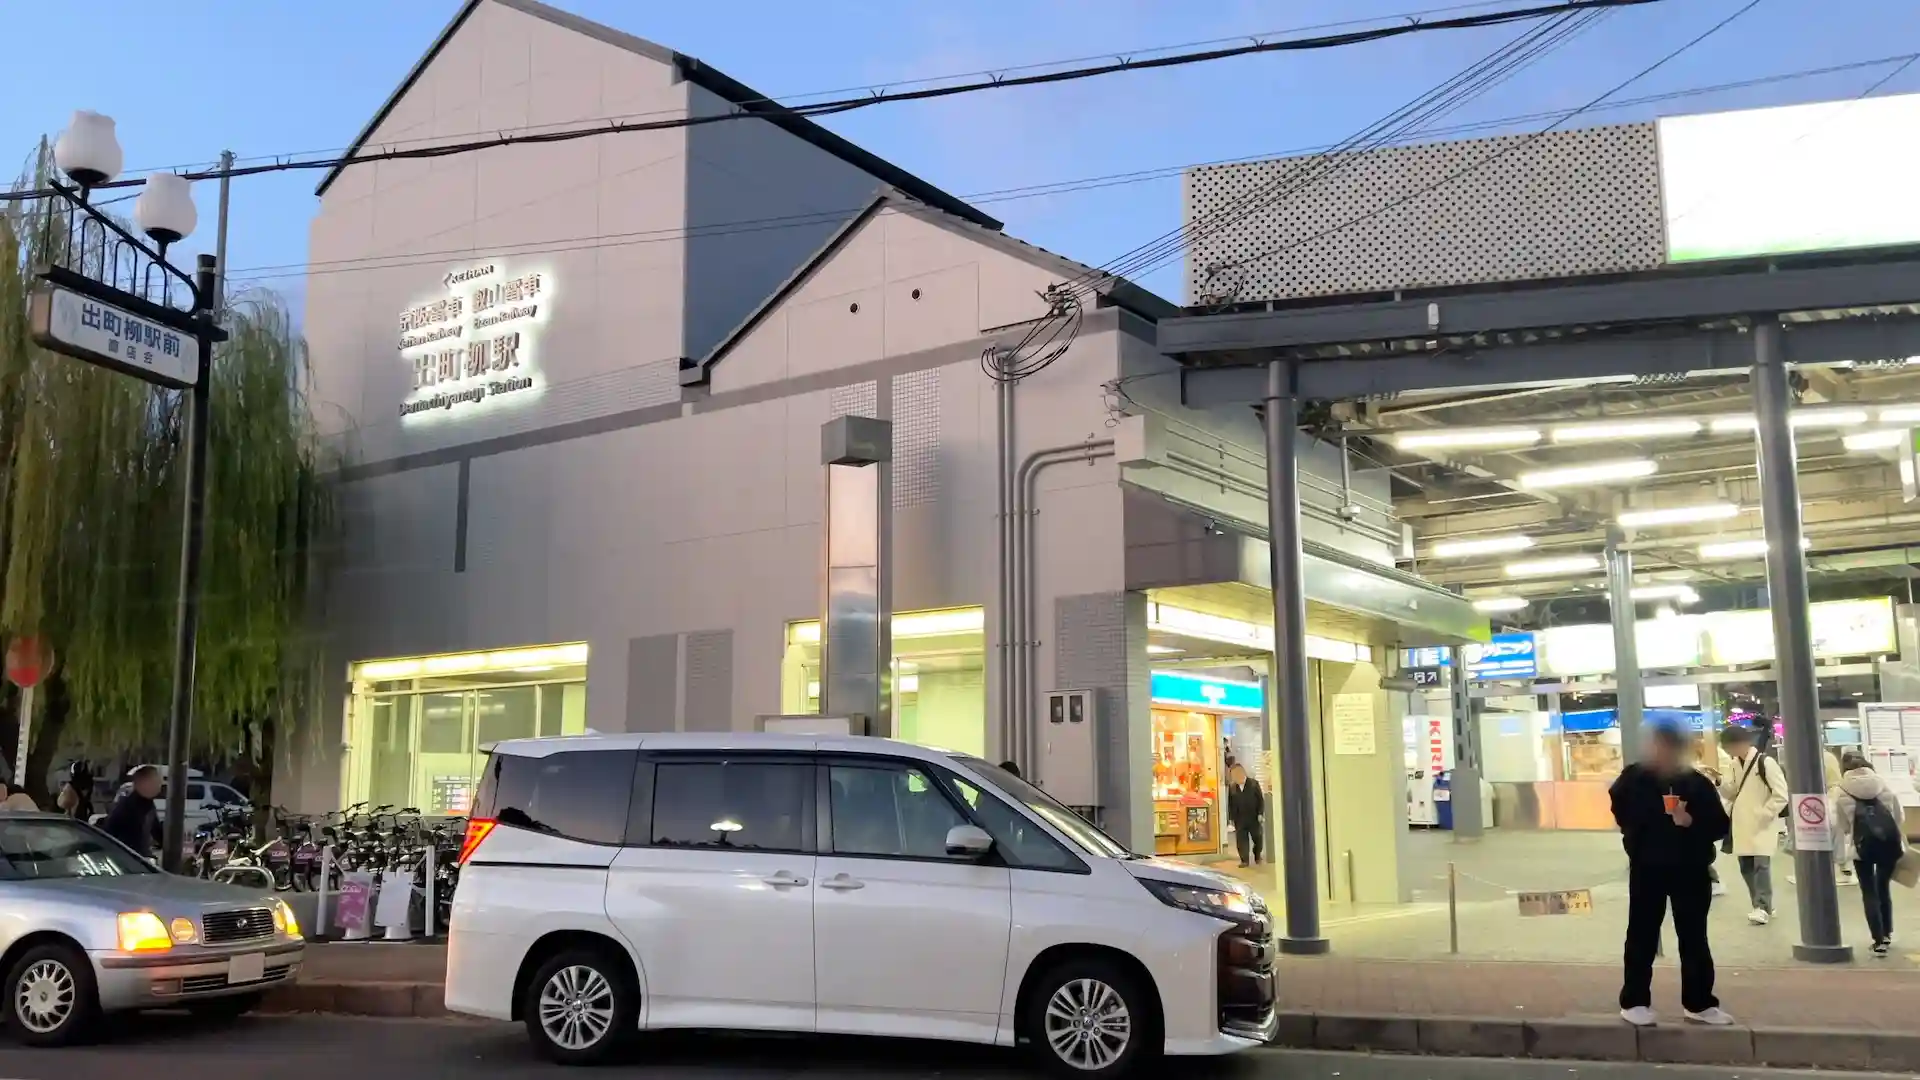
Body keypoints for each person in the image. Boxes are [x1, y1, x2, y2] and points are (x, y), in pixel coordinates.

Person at [1611, 719, 1734, 1027]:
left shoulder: (1696, 782)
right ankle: (1634, 1001)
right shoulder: (1633, 779)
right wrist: (1638, 834)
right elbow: (1620, 810)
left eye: (1669, 746)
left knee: (1693, 937)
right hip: (1647, 868)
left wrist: (1689, 821)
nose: (1662, 752)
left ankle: (1699, 1003)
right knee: (1641, 934)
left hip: (1690, 869)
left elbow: (1720, 826)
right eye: (1657, 745)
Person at [1832, 751, 1908, 957]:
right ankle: (1888, 932)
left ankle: (1878, 939)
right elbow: (1899, 817)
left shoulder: (1840, 792)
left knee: (1869, 891)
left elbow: (1843, 826)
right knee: (1882, 887)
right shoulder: (1883, 785)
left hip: (1861, 848)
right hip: (1889, 845)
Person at [1717, 725, 1788, 925]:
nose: (1729, 751)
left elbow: (1781, 794)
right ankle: (1761, 905)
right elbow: (1731, 791)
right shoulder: (1733, 764)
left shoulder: (1766, 763)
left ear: (1742, 743)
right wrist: (1718, 781)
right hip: (1741, 823)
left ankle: (1762, 907)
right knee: (1746, 866)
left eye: (1730, 747)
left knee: (1761, 866)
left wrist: (1764, 814)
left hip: (1762, 824)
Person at [102, 765, 161, 858]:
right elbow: (109, 832)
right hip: (127, 859)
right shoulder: (127, 806)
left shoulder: (149, 804)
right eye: (156, 782)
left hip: (140, 859)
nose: (159, 785)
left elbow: (156, 829)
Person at [1226, 763, 1264, 868]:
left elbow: (1260, 800)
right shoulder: (1232, 787)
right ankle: (1244, 860)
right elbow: (1230, 803)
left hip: (1253, 817)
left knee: (1258, 838)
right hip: (1240, 818)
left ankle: (1257, 855)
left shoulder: (1253, 784)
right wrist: (1231, 819)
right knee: (1241, 840)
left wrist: (1260, 813)